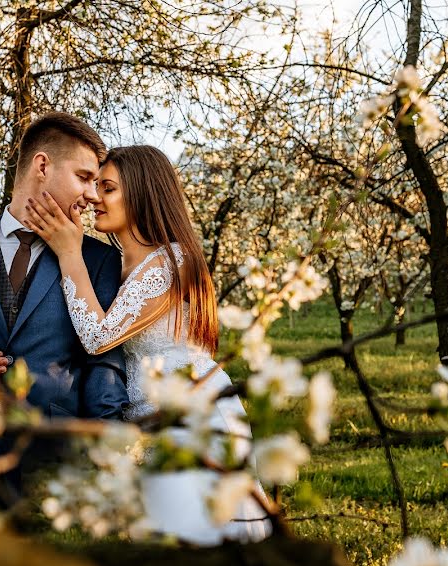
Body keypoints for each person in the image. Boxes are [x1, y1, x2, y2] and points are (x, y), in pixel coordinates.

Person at [23, 145, 271, 542]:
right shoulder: (116, 267)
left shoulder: (172, 261)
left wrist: (70, 253)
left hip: (193, 415)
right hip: (151, 422)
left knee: (208, 538)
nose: (94, 199)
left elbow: (99, 337)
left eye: (108, 188)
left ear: (141, 193)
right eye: (95, 186)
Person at [0, 112, 129, 504]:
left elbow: (104, 363)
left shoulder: (99, 261)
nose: (92, 196)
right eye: (84, 177)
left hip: (56, 472)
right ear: (42, 165)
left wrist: (107, 455)